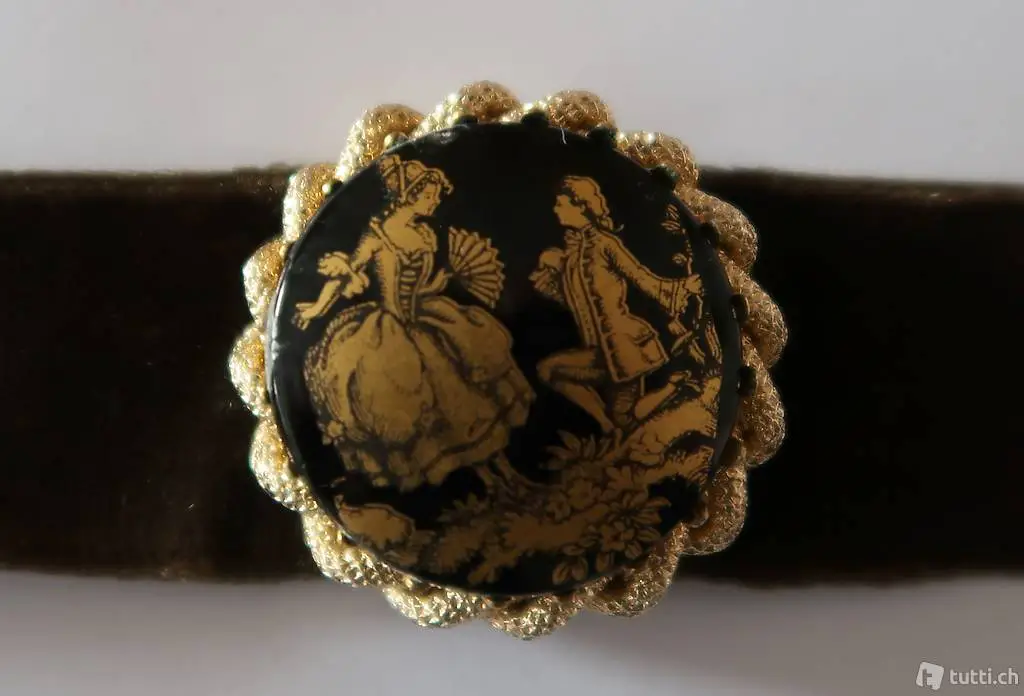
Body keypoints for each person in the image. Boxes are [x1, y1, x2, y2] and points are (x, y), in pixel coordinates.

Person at [294, 155, 533, 491]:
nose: (435, 202)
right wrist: (317, 308)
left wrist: (438, 284)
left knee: (472, 393)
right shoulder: (378, 236)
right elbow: (346, 272)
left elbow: (418, 287)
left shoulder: (424, 234)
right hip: (392, 332)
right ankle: (491, 482)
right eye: (430, 195)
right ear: (411, 195)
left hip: (427, 316)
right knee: (444, 402)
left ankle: (506, 476)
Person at [530, 176, 700, 434]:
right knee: (548, 370)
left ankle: (675, 386)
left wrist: (683, 287)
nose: (555, 209)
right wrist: (551, 281)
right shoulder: (573, 255)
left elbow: (641, 278)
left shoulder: (605, 244)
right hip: (597, 352)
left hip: (625, 346)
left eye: (560, 203)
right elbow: (577, 302)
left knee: (626, 419)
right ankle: (606, 425)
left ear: (580, 206)